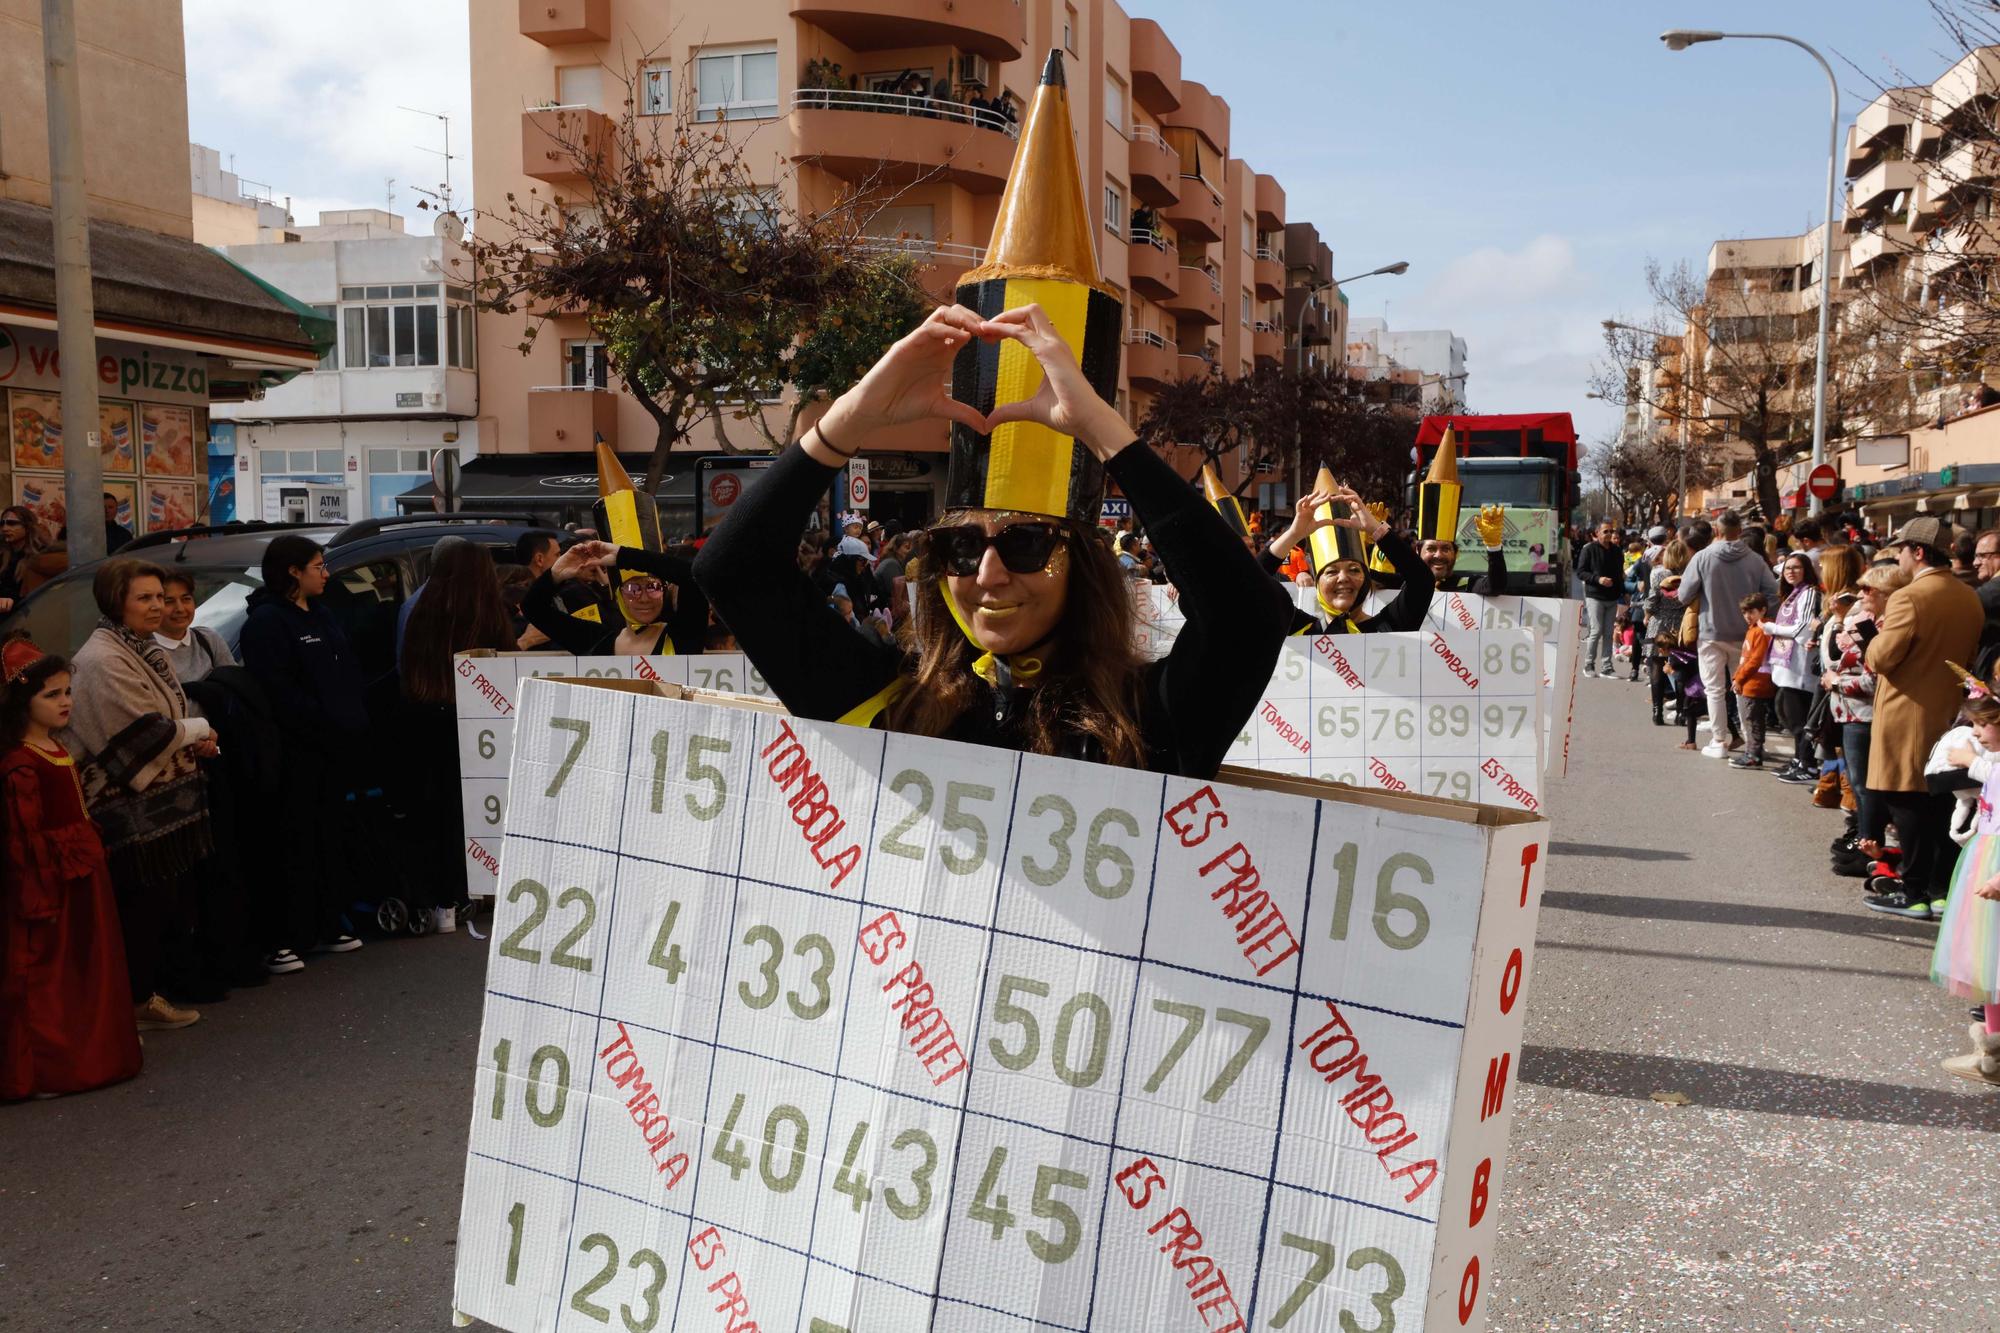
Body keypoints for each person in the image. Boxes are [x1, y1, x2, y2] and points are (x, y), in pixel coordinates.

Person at [692, 303, 1291, 777]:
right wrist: (854, 415)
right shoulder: (888, 700)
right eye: (962, 548)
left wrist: (1105, 432)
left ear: (1080, 562)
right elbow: (734, 570)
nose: (989, 575)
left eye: (1027, 543)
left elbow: (1250, 616)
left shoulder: (1148, 715)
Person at [61, 559, 217, 1030]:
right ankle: (127, 1008)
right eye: (145, 598)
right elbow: (140, 734)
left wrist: (191, 737)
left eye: (161, 597)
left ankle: (144, 997)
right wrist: (198, 729)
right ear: (116, 603)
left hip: (163, 808)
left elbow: (165, 716)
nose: (159, 607)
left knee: (161, 907)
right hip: (129, 813)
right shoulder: (103, 659)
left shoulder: (141, 648)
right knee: (139, 910)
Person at [1, 638, 144, 1099]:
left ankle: (94, 1048)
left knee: (89, 968)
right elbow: (22, 840)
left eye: (67, 692)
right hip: (51, 884)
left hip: (81, 875)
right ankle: (50, 1066)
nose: (65, 702)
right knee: (53, 974)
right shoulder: (21, 763)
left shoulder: (54, 748)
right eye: (52, 695)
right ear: (23, 702)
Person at [240, 536, 368, 967]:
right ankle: (285, 936)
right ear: (293, 571)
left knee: (328, 837)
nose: (326, 573)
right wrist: (324, 721)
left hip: (335, 750)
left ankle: (327, 923)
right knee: (292, 841)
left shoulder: (324, 614)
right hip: (295, 752)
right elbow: (278, 692)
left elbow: (345, 673)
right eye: (318, 565)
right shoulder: (266, 623)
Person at [1860, 517, 1984, 919]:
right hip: (1950, 712)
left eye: (1900, 550)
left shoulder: (1910, 597)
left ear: (1917, 552)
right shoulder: (1968, 597)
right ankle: (1939, 889)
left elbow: (1881, 657)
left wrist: (1873, 636)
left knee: (1905, 802)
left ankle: (1912, 892)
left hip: (1904, 711)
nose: (1897, 557)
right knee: (1943, 803)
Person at [399, 538, 517, 930]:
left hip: (422, 718)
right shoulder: (487, 614)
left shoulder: (421, 610)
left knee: (430, 811)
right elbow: (506, 662)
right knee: (467, 811)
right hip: (474, 722)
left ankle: (436, 903)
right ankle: (467, 891)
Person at [1932, 687, 2000, 1084]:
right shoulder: (1991, 761)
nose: (1975, 732)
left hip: (1995, 868)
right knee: (1988, 965)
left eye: (1983, 723)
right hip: (1985, 860)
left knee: (1994, 959)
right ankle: (1991, 1052)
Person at [1261, 481, 1432, 635]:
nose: (1343, 578)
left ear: (1366, 579)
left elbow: (1421, 581)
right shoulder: (1299, 630)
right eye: (1331, 572)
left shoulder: (1390, 626)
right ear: (1317, 582)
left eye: (1354, 570)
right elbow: (1247, 586)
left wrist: (1375, 529)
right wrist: (1293, 534)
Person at [1676, 511, 1778, 758]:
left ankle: (1719, 740)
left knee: (1714, 690)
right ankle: (1751, 741)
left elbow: (1683, 594)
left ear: (1717, 531)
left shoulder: (1702, 557)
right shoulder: (1755, 560)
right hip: (1746, 633)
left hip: (1711, 630)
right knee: (1743, 686)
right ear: (1739, 530)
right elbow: (1772, 593)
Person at [527, 539, 709, 657]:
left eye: (653, 588)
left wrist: (624, 555)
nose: (644, 598)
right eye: (633, 589)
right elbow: (533, 608)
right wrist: (555, 574)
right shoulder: (596, 640)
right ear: (618, 595)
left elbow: (692, 577)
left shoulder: (685, 633)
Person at [1765, 552, 1821, 784]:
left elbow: (1802, 630)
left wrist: (1771, 627)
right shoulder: (1792, 595)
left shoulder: (1809, 593)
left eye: (1796, 568)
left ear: (1806, 570)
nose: (1790, 572)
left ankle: (1807, 764)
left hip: (1799, 667)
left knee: (1798, 718)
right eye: (1787, 568)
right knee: (1790, 715)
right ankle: (1798, 760)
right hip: (1786, 666)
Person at [154, 572, 235, 685]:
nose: (180, 608)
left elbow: (235, 684)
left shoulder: (209, 639)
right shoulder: (146, 653)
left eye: (186, 599)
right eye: (169, 601)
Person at [1730, 593, 1777, 769]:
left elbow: (1755, 660)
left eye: (1752, 612)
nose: (1747, 616)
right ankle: (1752, 752)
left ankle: (1754, 754)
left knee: (1753, 720)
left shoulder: (1761, 631)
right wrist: (1737, 677)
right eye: (1745, 612)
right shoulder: (1754, 629)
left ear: (1763, 610)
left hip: (1755, 682)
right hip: (1749, 681)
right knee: (1751, 719)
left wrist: (1739, 678)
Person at [1576, 520, 1623, 677]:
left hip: (1612, 597)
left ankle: (1606, 666)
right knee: (1596, 631)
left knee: (1609, 632)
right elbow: (1581, 572)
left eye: (1611, 531)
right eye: (1605, 531)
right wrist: (1598, 579)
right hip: (1595, 596)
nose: (1609, 534)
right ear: (1597, 533)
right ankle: (1589, 665)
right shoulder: (1589, 549)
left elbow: (1619, 574)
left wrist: (1623, 591)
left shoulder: (1617, 551)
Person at [0, 504, 57, 614]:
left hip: (27, 617)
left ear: (27, 526)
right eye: (2, 523)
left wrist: (11, 601)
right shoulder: (4, 553)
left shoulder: (42, 556)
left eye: (12, 523)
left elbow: (38, 596)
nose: (5, 528)